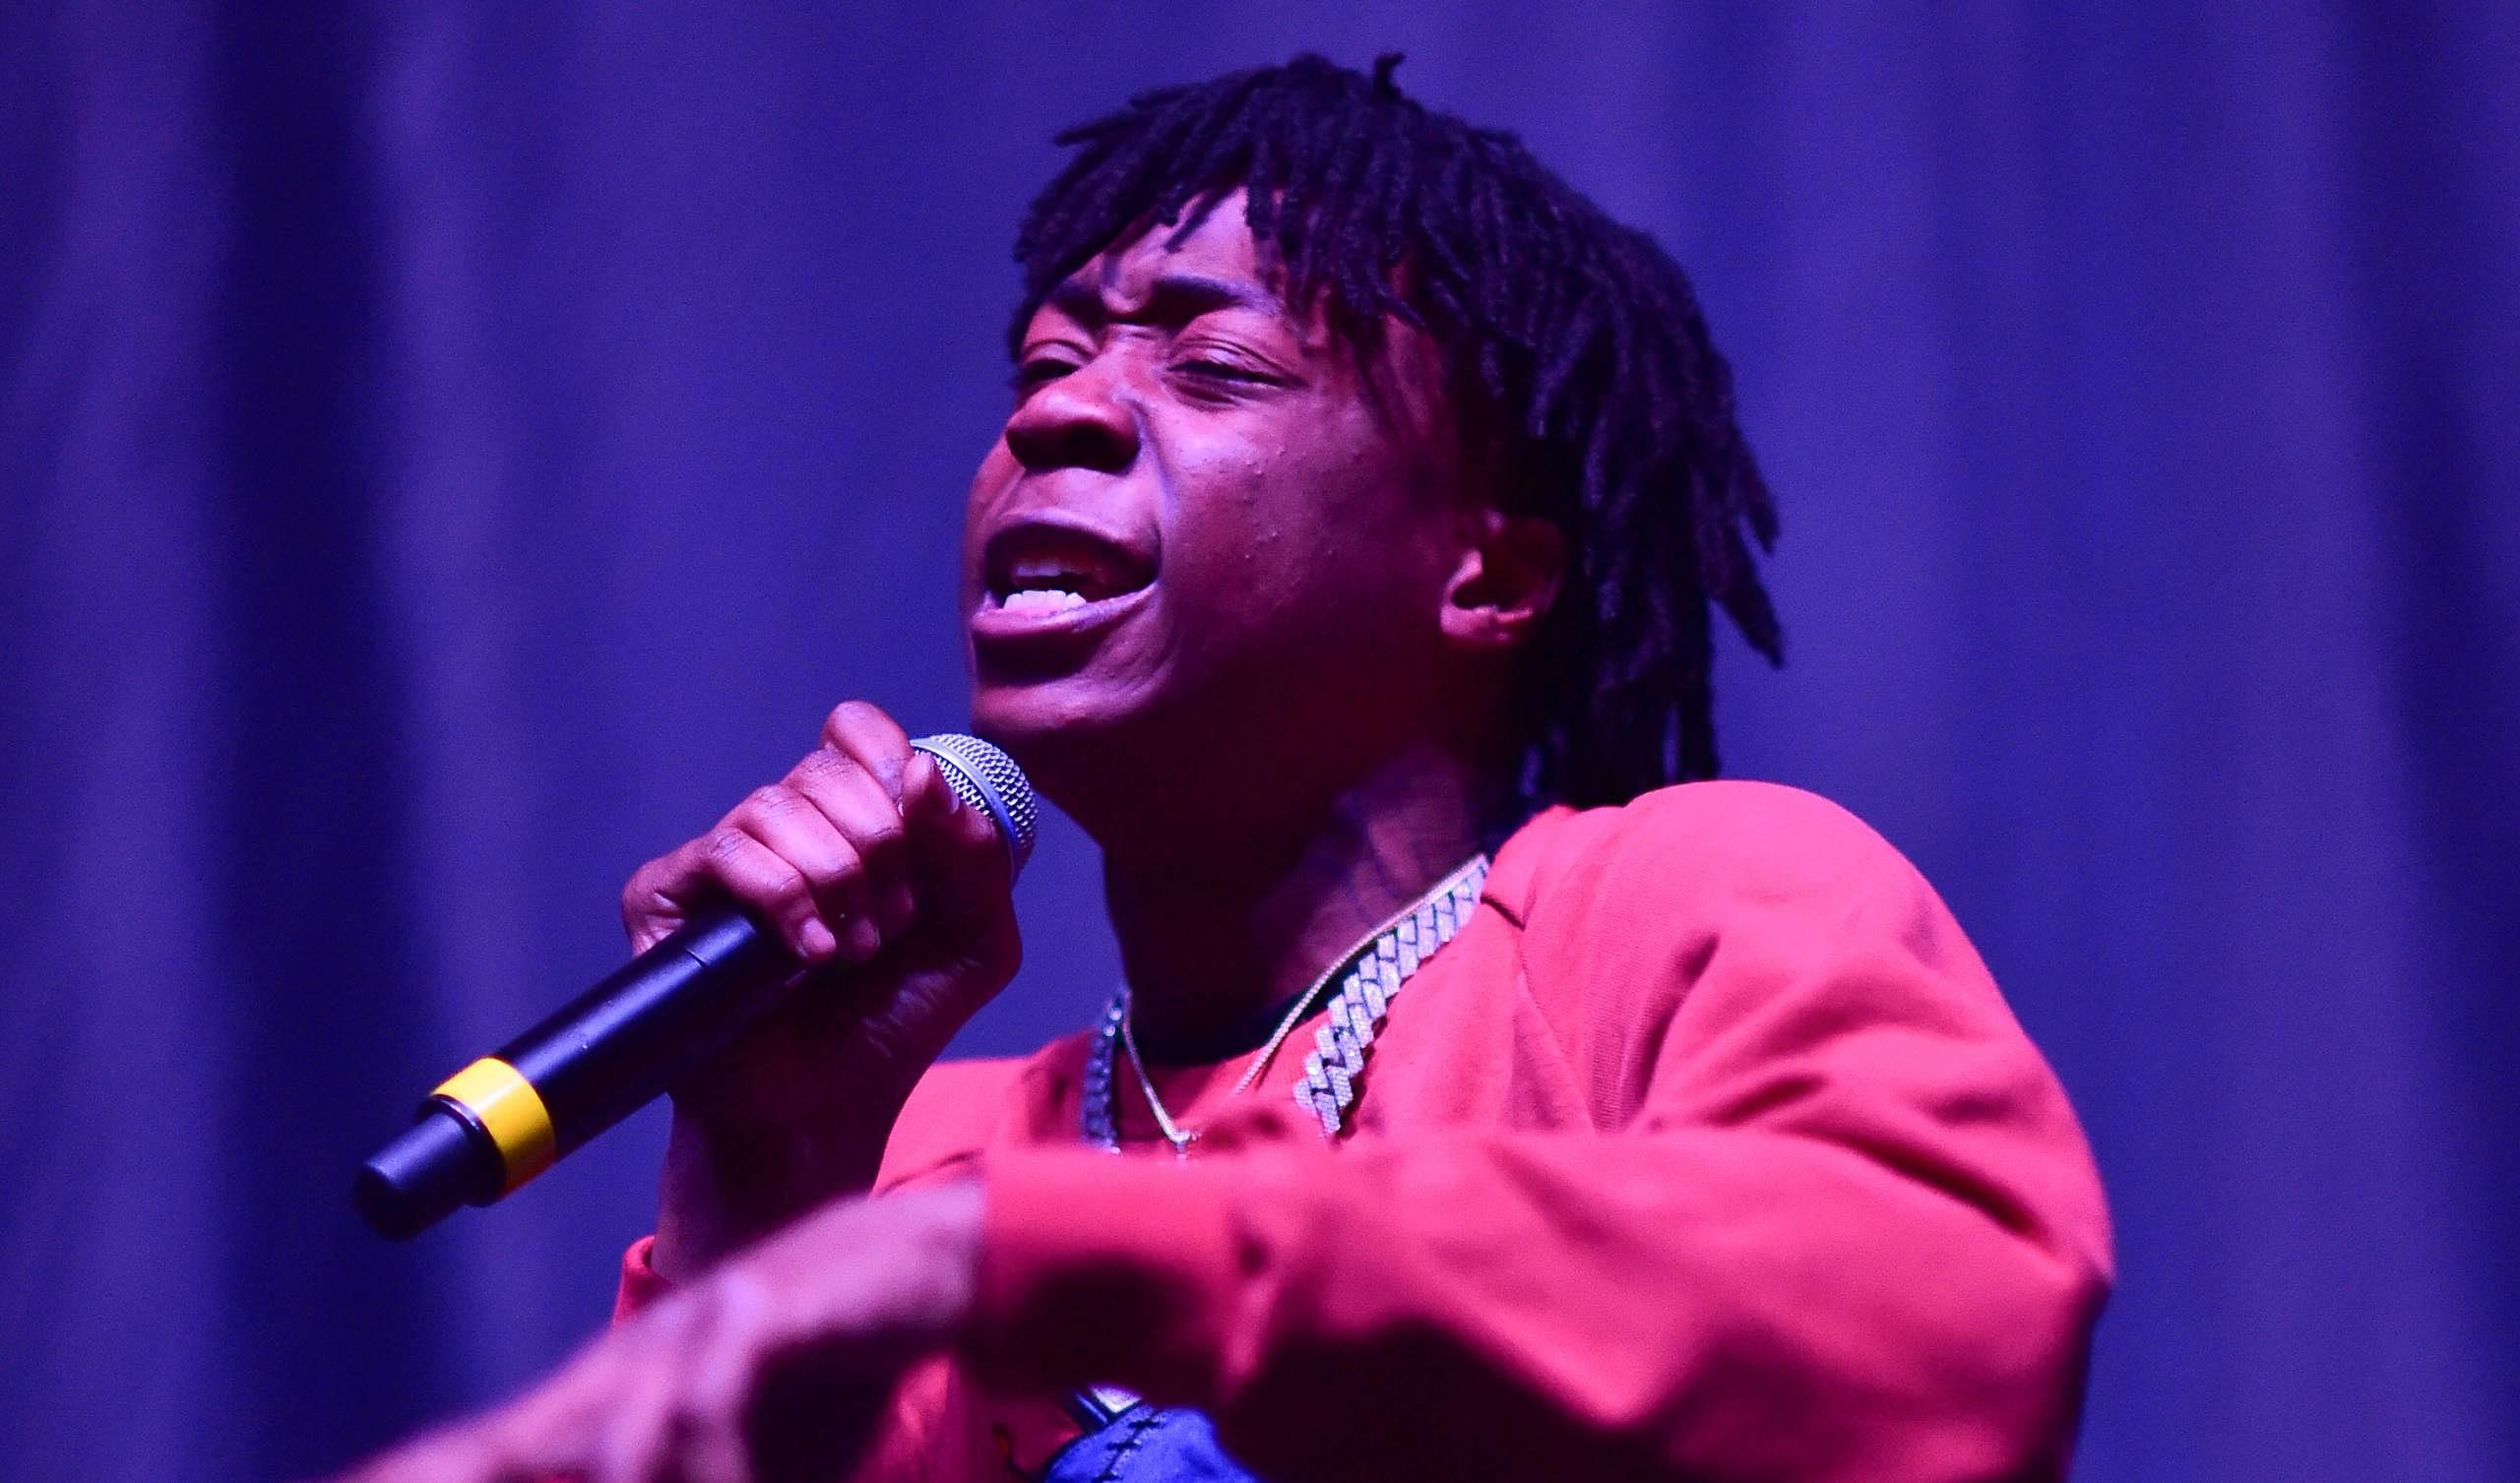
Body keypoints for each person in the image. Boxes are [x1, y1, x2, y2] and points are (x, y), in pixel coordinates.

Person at [344, 53, 2110, 1483]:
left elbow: (1949, 1319)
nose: (1054, 411)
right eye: (1045, 361)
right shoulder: (932, 1151)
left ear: (1490, 575)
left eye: (1214, 363)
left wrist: (999, 1260)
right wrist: (766, 1170)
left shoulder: (1670, 915)